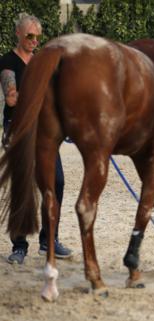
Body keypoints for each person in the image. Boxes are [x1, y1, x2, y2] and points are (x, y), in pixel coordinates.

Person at [1, 13, 72, 264]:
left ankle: (49, 240)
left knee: (58, 182)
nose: (33, 41)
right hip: (19, 129)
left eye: (37, 37)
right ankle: (19, 245)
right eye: (29, 36)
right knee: (23, 186)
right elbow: (11, 98)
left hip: (45, 131)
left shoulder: (43, 61)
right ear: (18, 34)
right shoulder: (8, 62)